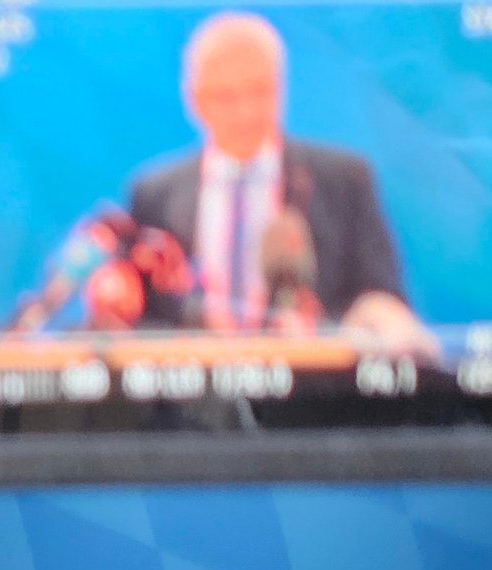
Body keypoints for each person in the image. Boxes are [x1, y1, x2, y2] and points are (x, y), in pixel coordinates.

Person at [127, 10, 438, 358]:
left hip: (313, 400)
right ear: (194, 99)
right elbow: (141, 320)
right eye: (226, 96)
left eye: (259, 91)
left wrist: (330, 332)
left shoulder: (344, 179)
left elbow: (382, 300)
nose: (246, 112)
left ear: (281, 89)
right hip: (194, 401)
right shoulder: (154, 193)